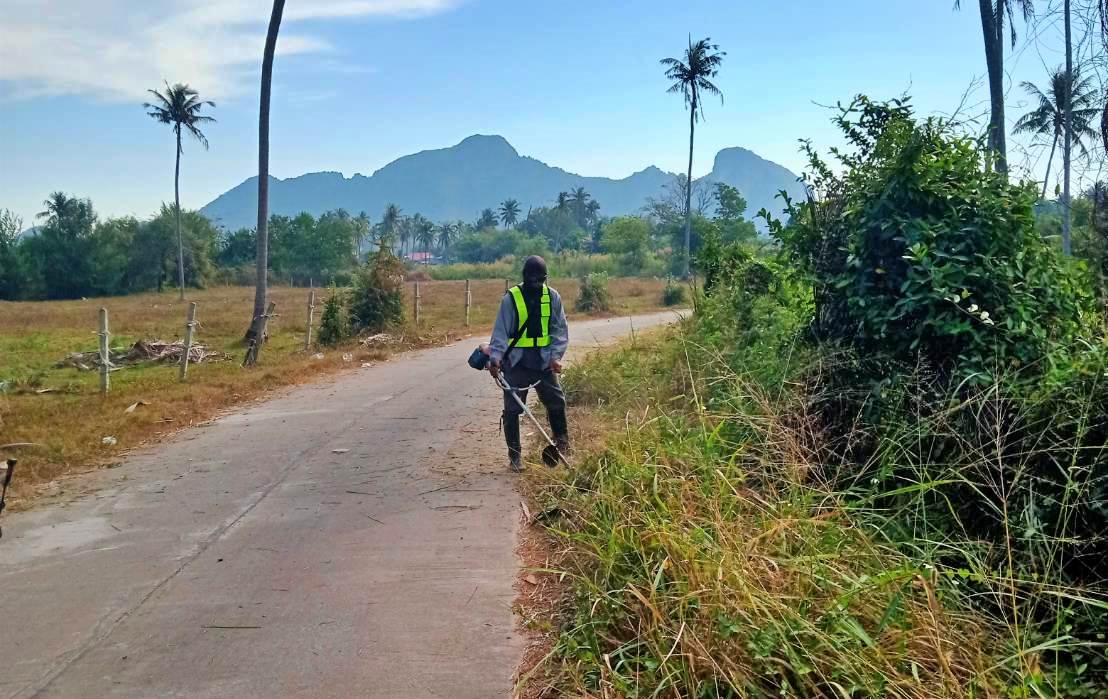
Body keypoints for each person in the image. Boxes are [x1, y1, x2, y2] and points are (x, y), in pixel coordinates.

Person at [487, 256, 570, 472]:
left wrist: (556, 357)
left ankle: (562, 445)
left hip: (543, 363)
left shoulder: (553, 297)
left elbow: (558, 330)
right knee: (513, 410)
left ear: (545, 278)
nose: (535, 284)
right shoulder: (511, 299)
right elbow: (500, 332)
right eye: (531, 280)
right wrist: (495, 359)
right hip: (516, 363)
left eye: (539, 280)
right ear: (524, 277)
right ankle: (515, 457)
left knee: (556, 402)